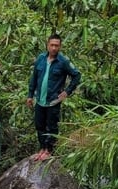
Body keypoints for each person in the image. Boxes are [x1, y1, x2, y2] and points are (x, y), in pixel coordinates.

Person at [26, 33, 81, 161]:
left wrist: (67, 91)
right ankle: (42, 148)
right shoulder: (40, 59)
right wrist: (30, 95)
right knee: (39, 125)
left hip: (53, 101)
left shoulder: (63, 62)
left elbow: (77, 75)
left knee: (51, 126)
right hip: (40, 99)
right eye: (52, 45)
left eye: (57, 45)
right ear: (47, 45)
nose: (54, 48)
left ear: (60, 47)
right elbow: (34, 78)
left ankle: (49, 150)